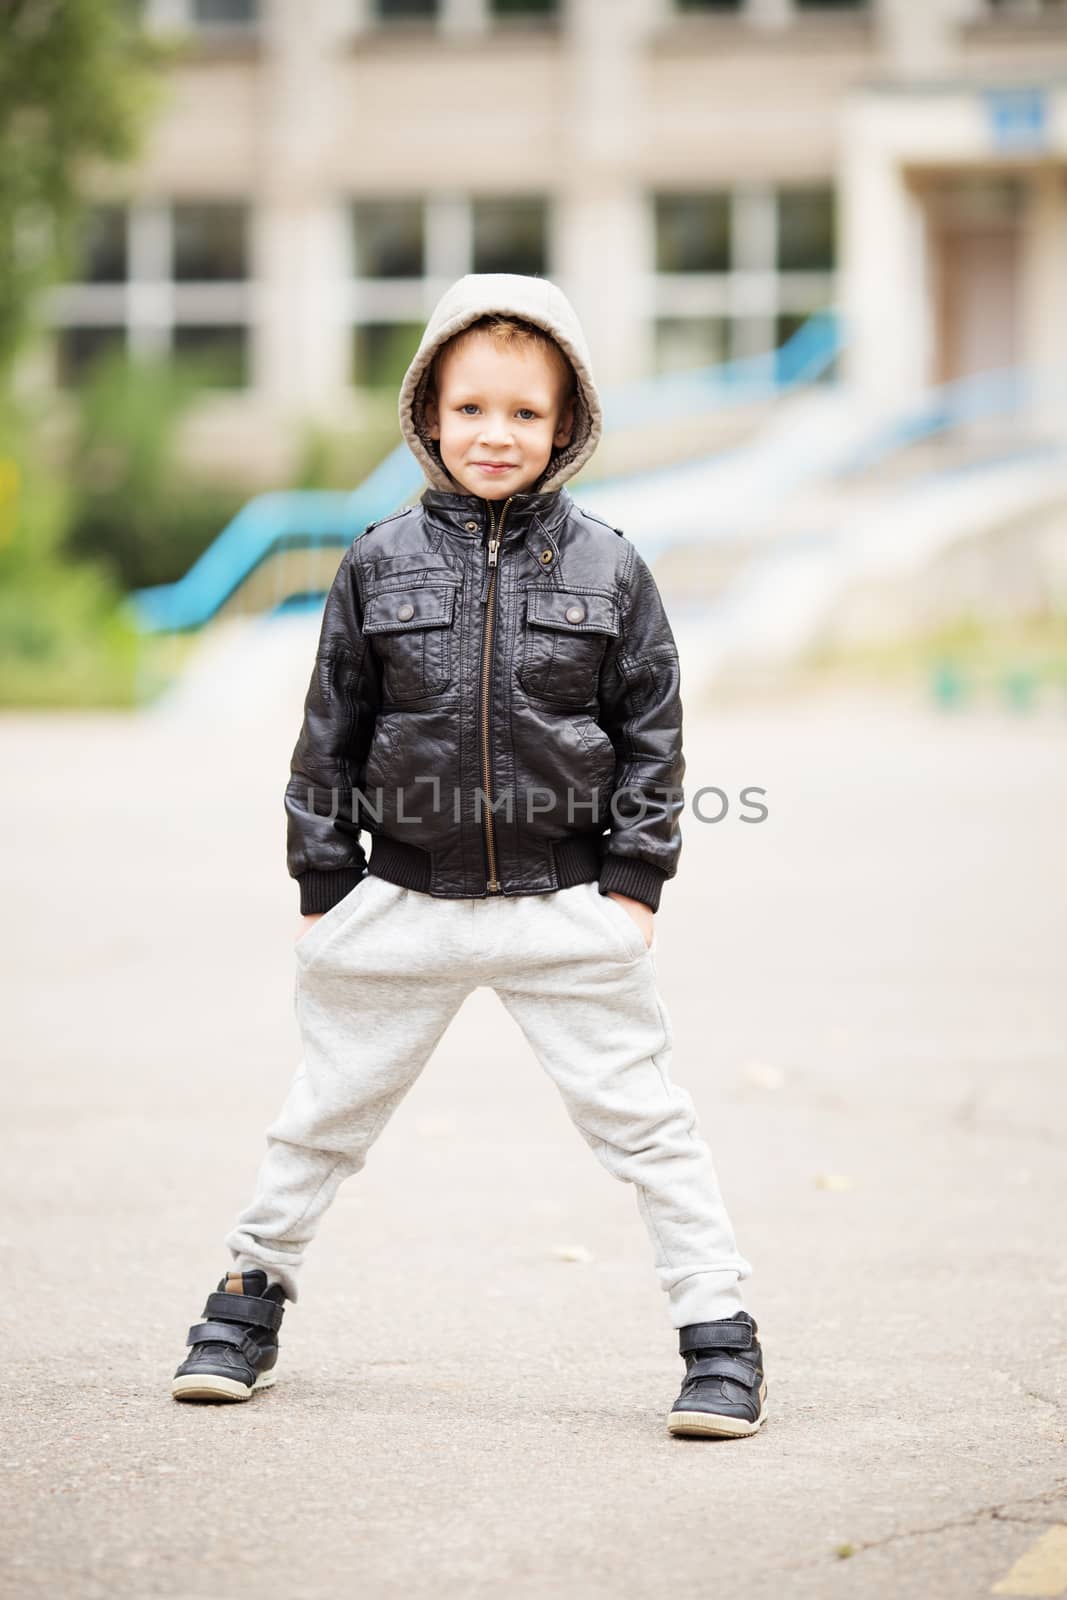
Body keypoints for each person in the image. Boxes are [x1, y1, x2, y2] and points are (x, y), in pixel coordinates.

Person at [171, 272, 766, 1438]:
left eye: (525, 413)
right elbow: (327, 729)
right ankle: (245, 1305)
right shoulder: (375, 562)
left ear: (568, 425)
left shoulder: (610, 568)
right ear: (427, 417)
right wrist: (323, 887)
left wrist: (633, 886)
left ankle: (719, 1336)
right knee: (320, 1116)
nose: (497, 435)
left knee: (646, 1125)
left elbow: (652, 734)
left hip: (565, 901)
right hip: (399, 896)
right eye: (472, 409)